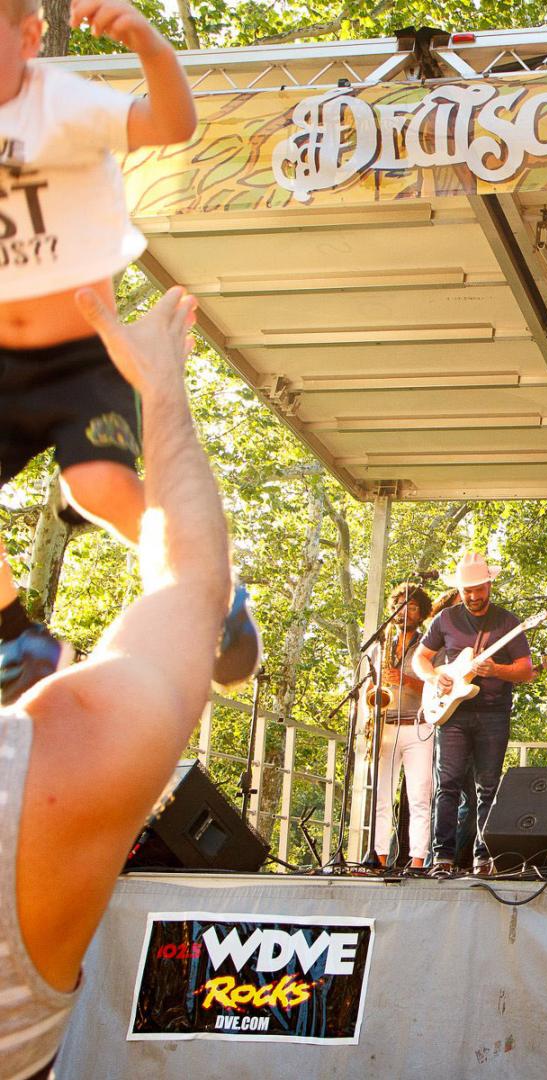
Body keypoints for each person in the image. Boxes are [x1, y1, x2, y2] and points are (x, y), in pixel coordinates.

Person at [0, 287, 230, 1076]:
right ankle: (13, 638)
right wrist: (163, 384)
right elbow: (191, 584)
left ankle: (13, 637)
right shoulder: (54, 771)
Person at [0, 0, 258, 701]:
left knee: (98, 486)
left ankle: (213, 591)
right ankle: (15, 634)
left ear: (28, 38)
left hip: (81, 351)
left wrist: (146, 40)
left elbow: (172, 124)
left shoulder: (64, 104)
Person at [414, 553, 533, 877]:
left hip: (493, 713)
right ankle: (442, 858)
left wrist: (497, 669)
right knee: (447, 785)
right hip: (453, 713)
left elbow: (525, 670)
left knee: (488, 787)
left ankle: (483, 858)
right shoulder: (446, 619)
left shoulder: (508, 622)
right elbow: (420, 659)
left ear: (489, 585)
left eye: (479, 590)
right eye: (468, 591)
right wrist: (434, 676)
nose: (474, 597)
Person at [369, 583, 433, 872]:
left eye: (414, 606)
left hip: (418, 727)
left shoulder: (429, 645)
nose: (406, 609)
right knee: (380, 795)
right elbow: (369, 685)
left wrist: (404, 679)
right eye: (400, 603)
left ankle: (418, 861)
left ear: (422, 613)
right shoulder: (380, 645)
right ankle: (378, 858)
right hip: (386, 726)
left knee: (419, 797)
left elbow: (438, 685)